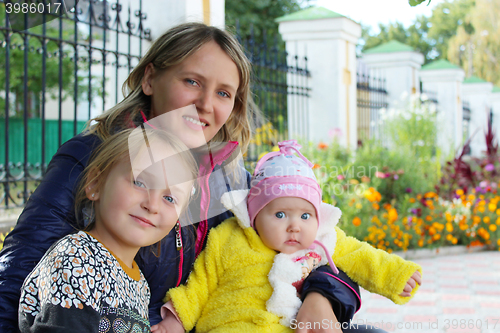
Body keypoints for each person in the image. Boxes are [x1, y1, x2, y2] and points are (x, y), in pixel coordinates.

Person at [0, 23, 368, 332]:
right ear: (149, 78)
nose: (206, 104)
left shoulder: (232, 179)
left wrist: (323, 298)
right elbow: (18, 275)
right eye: (192, 81)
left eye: (223, 93)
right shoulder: (93, 157)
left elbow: (312, 241)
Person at [151, 140, 422, 333]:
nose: (295, 226)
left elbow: (361, 255)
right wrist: (176, 320)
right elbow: (201, 284)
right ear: (254, 215)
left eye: (306, 216)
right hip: (230, 325)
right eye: (280, 215)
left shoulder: (322, 240)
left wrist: (395, 274)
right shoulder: (229, 238)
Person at [18, 128, 197, 331]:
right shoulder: (77, 259)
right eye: (139, 182)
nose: (152, 205)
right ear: (96, 184)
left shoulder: (139, 282)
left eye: (169, 198)